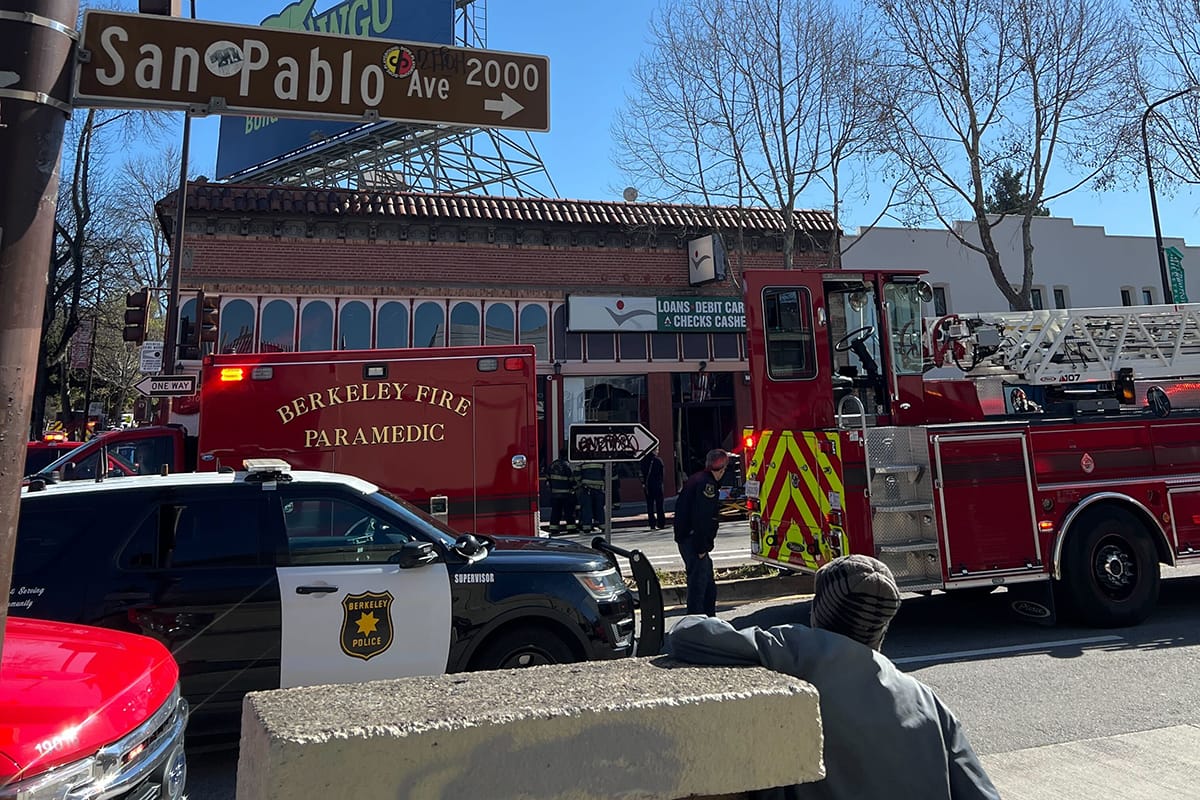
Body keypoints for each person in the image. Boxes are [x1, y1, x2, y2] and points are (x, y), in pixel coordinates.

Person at [665, 555, 1001, 800]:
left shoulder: (799, 651)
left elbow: (688, 635)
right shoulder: (929, 703)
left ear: (819, 611)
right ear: (883, 629)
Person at [673, 448, 728, 616]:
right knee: (699, 586)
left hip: (687, 538)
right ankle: (697, 621)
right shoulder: (707, 485)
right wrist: (701, 547)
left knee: (707, 585)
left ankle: (708, 619)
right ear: (722, 469)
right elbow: (702, 518)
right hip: (694, 542)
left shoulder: (696, 479)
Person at [546, 448, 578, 536]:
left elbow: (548, 479)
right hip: (566, 494)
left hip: (554, 494)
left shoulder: (552, 465)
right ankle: (571, 529)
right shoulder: (566, 465)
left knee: (555, 512)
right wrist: (575, 488)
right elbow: (571, 480)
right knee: (569, 512)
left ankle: (554, 529)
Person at [577, 460, 606, 532]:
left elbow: (577, 476)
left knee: (587, 508)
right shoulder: (602, 461)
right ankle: (603, 525)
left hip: (586, 489)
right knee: (599, 508)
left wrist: (579, 483)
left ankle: (587, 527)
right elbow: (606, 475)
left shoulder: (582, 461)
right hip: (599, 489)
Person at [641, 446, 666, 530]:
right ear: (653, 451)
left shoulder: (644, 461)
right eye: (657, 450)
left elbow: (641, 473)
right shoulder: (658, 461)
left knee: (650, 505)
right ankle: (661, 523)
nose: (658, 452)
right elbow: (662, 474)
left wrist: (644, 483)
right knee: (659, 505)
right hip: (657, 486)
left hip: (648, 486)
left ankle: (652, 523)